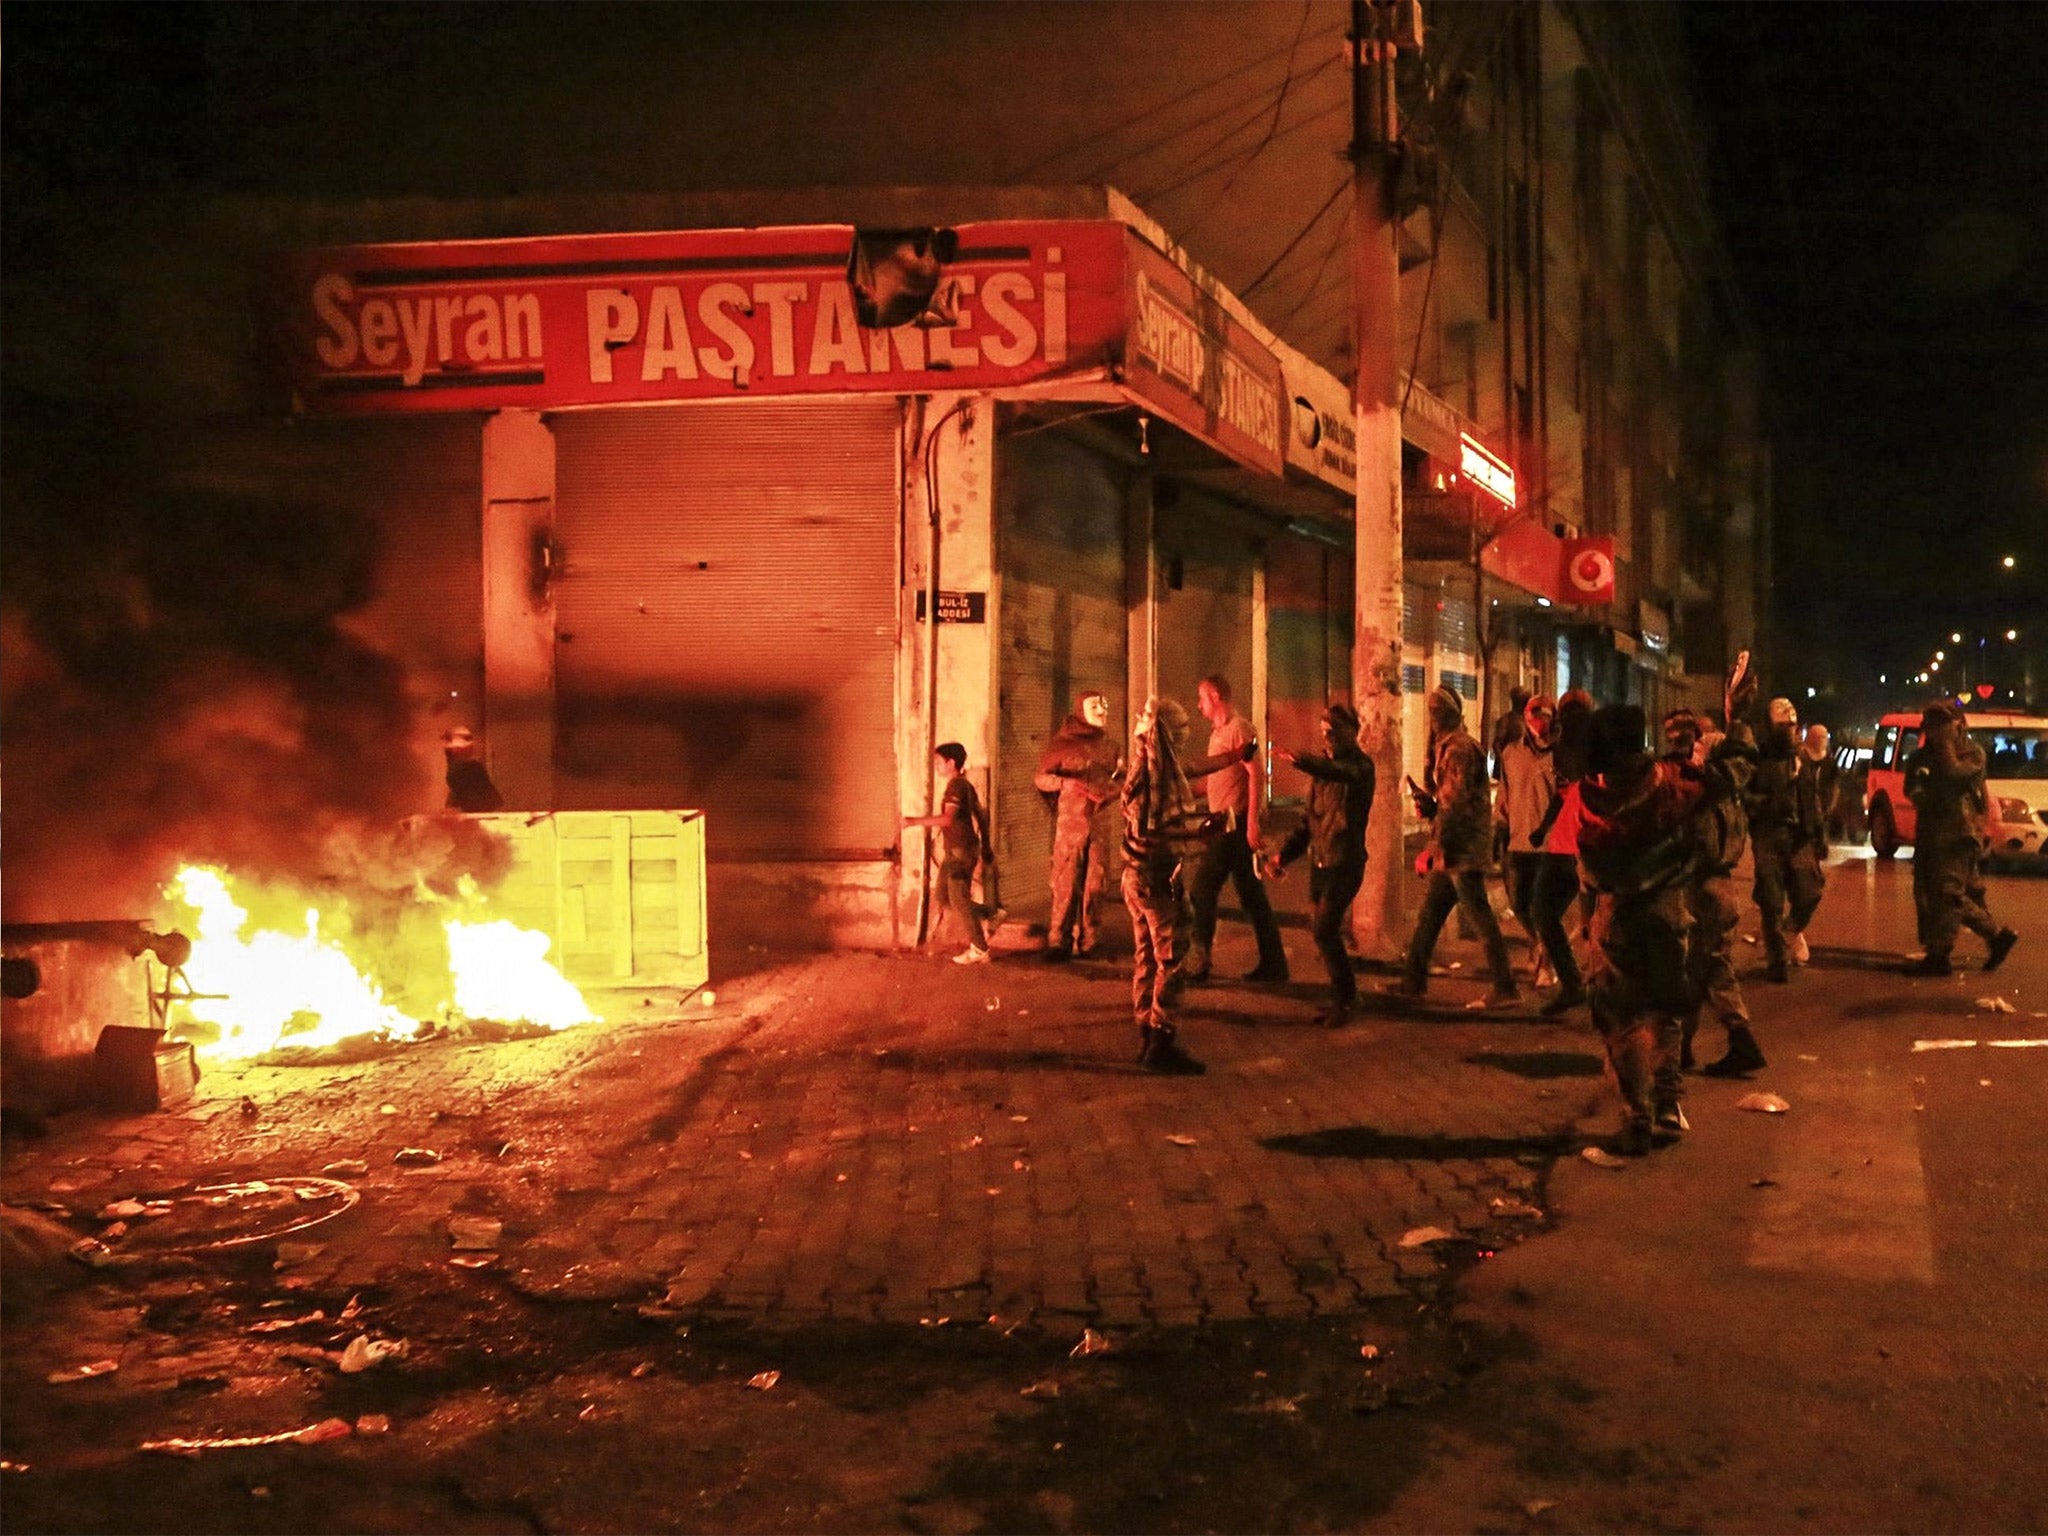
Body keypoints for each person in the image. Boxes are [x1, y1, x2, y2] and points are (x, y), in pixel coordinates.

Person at [1577, 703, 1703, 1155]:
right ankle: (1669, 1105)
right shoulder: (1668, 783)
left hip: (1618, 919)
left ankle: (1638, 1118)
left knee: (1621, 1020)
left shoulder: (1591, 797)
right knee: (1665, 1009)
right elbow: (1717, 793)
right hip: (1668, 913)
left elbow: (1588, 874)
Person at [1385, 684, 1519, 1006]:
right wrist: (1429, 805)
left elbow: (1455, 804)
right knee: (1431, 915)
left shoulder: (1458, 748)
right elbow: (1447, 801)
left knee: (1480, 918)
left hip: (1462, 850)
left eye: (1437, 711)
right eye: (1430, 711)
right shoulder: (1448, 746)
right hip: (1454, 846)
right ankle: (1413, 981)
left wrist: (1433, 849)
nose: (1432, 717)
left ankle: (1506, 988)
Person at [1665, 676, 1768, 1078]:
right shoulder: (1713, 774)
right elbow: (1742, 761)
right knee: (1694, 966)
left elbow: (1739, 760)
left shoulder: (1693, 778)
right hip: (1714, 881)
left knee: (1706, 963)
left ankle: (1740, 1037)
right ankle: (1682, 1048)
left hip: (1699, 883)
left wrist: (1735, 718)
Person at [1267, 702, 1375, 1027]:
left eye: (1334, 732)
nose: (1327, 738)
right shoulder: (1322, 774)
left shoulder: (1360, 767)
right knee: (1321, 933)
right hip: (1321, 863)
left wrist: (1302, 760)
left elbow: (1341, 772)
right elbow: (1308, 824)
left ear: (1352, 733)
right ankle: (1342, 996)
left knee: (1326, 931)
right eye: (1324, 732)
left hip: (1345, 861)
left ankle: (1347, 998)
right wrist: (1282, 856)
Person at [1119, 697, 1210, 1074]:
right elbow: (1154, 827)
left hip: (1137, 876)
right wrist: (1203, 831)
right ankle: (1161, 1039)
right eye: (1182, 728)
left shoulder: (1148, 763)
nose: (1188, 734)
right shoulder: (1154, 772)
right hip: (1156, 877)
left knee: (1146, 955)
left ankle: (1147, 1032)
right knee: (1173, 959)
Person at [1182, 675, 1288, 984]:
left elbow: (1256, 775)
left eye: (1201, 698)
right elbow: (1213, 781)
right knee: (1252, 896)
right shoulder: (1219, 733)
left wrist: (1252, 822)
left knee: (1203, 890)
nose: (1199, 705)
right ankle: (1275, 963)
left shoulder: (1240, 729)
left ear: (1215, 696)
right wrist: (1182, 792)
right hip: (1225, 822)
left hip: (1234, 824)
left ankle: (1199, 962)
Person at [1903, 702, 2019, 976]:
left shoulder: (1973, 755)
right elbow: (1913, 788)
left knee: (1949, 894)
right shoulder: (1920, 758)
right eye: (1932, 728)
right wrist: (1922, 793)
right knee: (1929, 894)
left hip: (1959, 836)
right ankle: (1974, 942)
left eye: (1941, 727)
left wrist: (1946, 744)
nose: (1934, 733)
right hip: (1929, 835)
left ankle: (1943, 953)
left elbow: (1955, 776)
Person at [1496, 694, 1585, 1017]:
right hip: (1520, 840)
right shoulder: (1510, 753)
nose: (1541, 727)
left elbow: (1565, 798)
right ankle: (1546, 949)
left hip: (1553, 845)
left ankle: (1555, 965)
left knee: (1545, 910)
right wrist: (1501, 824)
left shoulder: (1565, 755)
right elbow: (1505, 794)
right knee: (1522, 905)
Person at [1033, 691, 1121, 960]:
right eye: (1094, 706)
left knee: (1097, 880)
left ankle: (1089, 938)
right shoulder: (1062, 744)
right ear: (1081, 710)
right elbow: (1040, 778)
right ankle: (1058, 939)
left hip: (1099, 822)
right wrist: (1065, 783)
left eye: (1104, 705)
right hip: (1071, 824)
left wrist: (1112, 792)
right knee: (1066, 880)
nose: (1102, 710)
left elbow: (1123, 777)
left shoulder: (1110, 745)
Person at [1744, 697, 1826, 983]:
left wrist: (1819, 833)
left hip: (1799, 836)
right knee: (1771, 899)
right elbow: (1744, 796)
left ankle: (1790, 932)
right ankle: (1776, 959)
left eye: (1791, 725)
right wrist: (1767, 804)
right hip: (1769, 835)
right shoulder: (1757, 756)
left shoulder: (1802, 757)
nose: (1789, 730)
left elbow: (1812, 797)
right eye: (1782, 726)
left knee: (1810, 891)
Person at [902, 743, 997, 965]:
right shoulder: (965, 785)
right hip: (957, 852)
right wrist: (985, 847)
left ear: (951, 763)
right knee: (944, 897)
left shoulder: (956, 787)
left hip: (960, 853)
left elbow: (947, 819)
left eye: (938, 762)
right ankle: (991, 913)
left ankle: (980, 948)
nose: (935, 767)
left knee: (958, 899)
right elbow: (981, 816)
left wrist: (913, 822)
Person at [443, 727, 504, 813]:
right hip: (480, 813)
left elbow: (479, 798)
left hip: (482, 813)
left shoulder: (469, 768)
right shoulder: (462, 769)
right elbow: (457, 791)